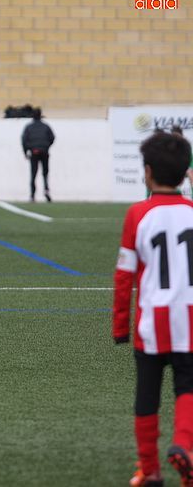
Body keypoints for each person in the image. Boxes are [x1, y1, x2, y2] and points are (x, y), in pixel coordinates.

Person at [113, 131, 193, 487]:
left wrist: (120, 327)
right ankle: (185, 446)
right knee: (188, 388)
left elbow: (124, 276)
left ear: (147, 172)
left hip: (151, 325)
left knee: (147, 395)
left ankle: (150, 469)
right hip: (190, 322)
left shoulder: (138, 213)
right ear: (185, 172)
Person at [21, 107, 54, 202]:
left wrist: (26, 151)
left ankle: (32, 194)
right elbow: (52, 138)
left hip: (34, 152)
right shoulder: (46, 126)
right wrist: (46, 147)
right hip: (44, 151)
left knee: (33, 173)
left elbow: (24, 140)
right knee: (45, 172)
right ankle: (46, 189)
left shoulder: (29, 127)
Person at [171, 125, 193, 198]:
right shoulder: (168, 146)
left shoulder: (186, 146)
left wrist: (188, 169)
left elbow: (190, 161)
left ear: (181, 136)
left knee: (191, 173)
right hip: (172, 169)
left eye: (177, 136)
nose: (176, 139)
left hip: (185, 168)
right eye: (174, 137)